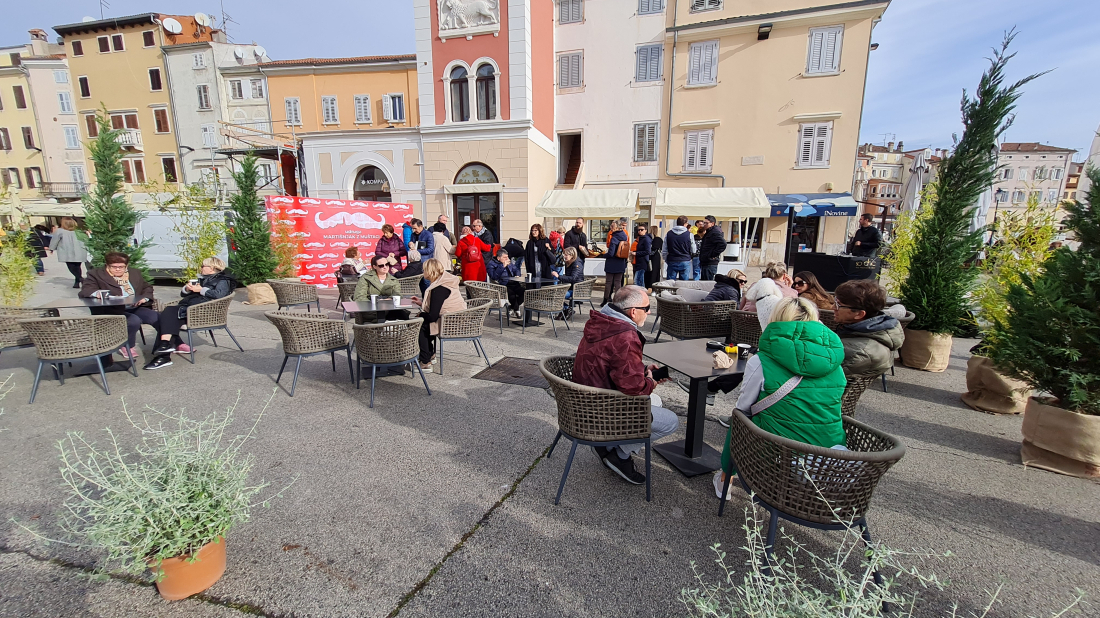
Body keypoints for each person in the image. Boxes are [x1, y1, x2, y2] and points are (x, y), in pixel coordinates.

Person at [714, 297, 847, 499]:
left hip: (778, 459)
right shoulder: (834, 364)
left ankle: (726, 478)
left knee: (739, 420)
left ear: (775, 320)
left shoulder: (761, 360)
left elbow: (744, 407)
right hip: (831, 460)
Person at [573, 285, 679, 484]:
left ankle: (610, 446)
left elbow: (610, 362)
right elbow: (633, 388)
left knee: (654, 402)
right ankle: (619, 455)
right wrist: (650, 380)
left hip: (584, 402)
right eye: (647, 309)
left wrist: (643, 368)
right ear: (633, 311)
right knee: (671, 421)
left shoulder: (601, 321)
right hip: (604, 409)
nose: (648, 313)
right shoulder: (626, 336)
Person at [144, 257, 235, 370]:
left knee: (168, 314)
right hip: (191, 310)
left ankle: (163, 352)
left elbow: (220, 295)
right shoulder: (202, 278)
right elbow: (184, 295)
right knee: (170, 317)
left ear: (211, 268)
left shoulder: (223, 280)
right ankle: (164, 350)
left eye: (202, 266)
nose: (200, 268)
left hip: (205, 313)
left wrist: (201, 290)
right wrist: (187, 289)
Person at [80, 251, 159, 360]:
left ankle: (168, 344)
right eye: (114, 267)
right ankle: (126, 346)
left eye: (121, 267)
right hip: (112, 310)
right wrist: (96, 293)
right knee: (133, 321)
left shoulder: (134, 273)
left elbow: (147, 287)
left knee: (158, 317)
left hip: (134, 306)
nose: (118, 269)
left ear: (126, 266)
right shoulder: (96, 274)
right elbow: (85, 291)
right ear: (107, 266)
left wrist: (144, 298)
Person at [833, 279, 904, 378]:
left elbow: (814, 372)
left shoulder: (858, 352)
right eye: (835, 301)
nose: (833, 307)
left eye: (838, 305)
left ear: (859, 314)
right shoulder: (863, 332)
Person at [410, 258, 466, 372]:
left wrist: (421, 314)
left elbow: (432, 316)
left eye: (424, 270)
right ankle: (430, 354)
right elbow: (439, 306)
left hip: (451, 323)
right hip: (455, 318)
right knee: (423, 321)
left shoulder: (439, 289)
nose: (423, 272)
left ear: (430, 272)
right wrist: (421, 303)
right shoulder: (444, 282)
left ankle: (425, 361)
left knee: (420, 325)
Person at [353, 254, 409, 325]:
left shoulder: (393, 280)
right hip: (371, 311)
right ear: (374, 267)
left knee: (402, 316)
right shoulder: (365, 278)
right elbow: (359, 297)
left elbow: (398, 294)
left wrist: (388, 300)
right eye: (381, 265)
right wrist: (376, 303)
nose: (385, 267)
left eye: (387, 264)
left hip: (390, 310)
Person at [49, 217, 88, 288]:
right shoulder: (79, 231)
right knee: (77, 267)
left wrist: (51, 248)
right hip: (79, 251)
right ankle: (77, 282)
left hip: (67, 251)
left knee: (71, 267)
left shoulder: (60, 231)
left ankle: (80, 278)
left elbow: (55, 240)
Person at [486, 249, 523, 315]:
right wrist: (502, 266)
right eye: (505, 257)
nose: (507, 259)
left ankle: (512, 307)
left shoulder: (509, 262)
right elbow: (494, 276)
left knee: (524, 292)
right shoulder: (491, 264)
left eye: (507, 257)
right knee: (511, 294)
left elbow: (516, 269)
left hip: (513, 282)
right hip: (502, 284)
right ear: (498, 258)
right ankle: (516, 309)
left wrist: (517, 274)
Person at [601, 220, 629, 306]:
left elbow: (611, 253)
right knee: (618, 282)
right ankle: (618, 300)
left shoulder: (614, 238)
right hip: (621, 262)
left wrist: (602, 255)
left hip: (612, 263)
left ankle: (605, 300)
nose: (610, 228)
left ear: (617, 227)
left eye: (612, 226)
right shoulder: (624, 236)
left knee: (609, 282)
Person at [557, 246, 586, 319]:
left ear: (572, 255)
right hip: (570, 287)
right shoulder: (569, 263)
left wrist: (559, 276)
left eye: (566, 255)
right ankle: (566, 309)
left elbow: (573, 278)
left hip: (577, 290)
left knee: (557, 295)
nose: (564, 256)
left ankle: (567, 309)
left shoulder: (577, 264)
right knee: (554, 294)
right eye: (564, 254)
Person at [663, 215, 694, 281]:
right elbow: (693, 249)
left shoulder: (669, 234)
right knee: (684, 284)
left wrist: (666, 259)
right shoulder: (689, 234)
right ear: (685, 224)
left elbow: (664, 249)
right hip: (685, 260)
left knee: (669, 284)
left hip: (672, 259)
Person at [698, 215, 728, 281]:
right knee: (704, 283)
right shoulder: (709, 232)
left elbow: (723, 244)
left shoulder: (714, 232)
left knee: (707, 284)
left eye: (706, 223)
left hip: (710, 263)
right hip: (706, 262)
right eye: (704, 223)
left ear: (712, 223)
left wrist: (712, 254)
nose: (704, 224)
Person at [631, 224, 651, 289]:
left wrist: (636, 253)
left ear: (645, 230)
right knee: (639, 280)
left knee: (637, 281)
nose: (640, 231)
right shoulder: (641, 239)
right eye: (638, 230)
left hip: (643, 262)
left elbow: (648, 251)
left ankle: (642, 295)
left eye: (641, 230)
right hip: (638, 261)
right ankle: (642, 294)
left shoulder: (646, 239)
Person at [646, 225, 663, 290]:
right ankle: (655, 286)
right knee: (655, 271)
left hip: (648, 256)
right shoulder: (659, 239)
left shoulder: (647, 238)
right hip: (656, 256)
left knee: (649, 271)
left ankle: (648, 286)